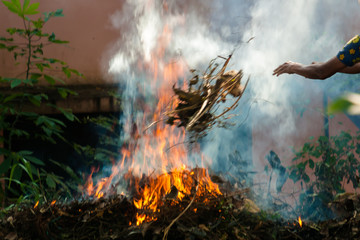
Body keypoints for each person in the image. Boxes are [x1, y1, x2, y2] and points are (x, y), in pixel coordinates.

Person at [273, 35, 360, 80]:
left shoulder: (357, 43)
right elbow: (357, 67)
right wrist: (331, 66)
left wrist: (292, 67)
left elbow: (321, 72)